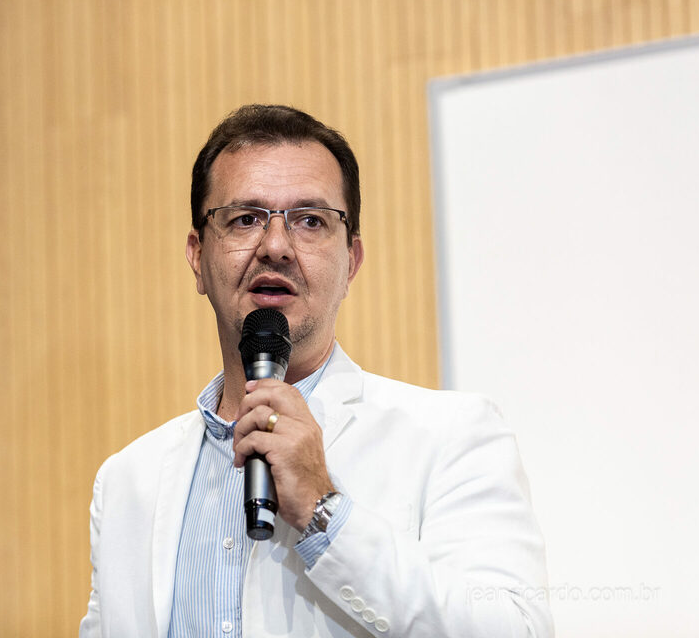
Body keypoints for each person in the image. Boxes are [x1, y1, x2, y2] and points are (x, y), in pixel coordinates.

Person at [79, 104, 553, 637]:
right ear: (198, 257)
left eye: (310, 221)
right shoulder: (126, 482)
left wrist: (324, 511)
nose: (275, 246)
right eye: (245, 218)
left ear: (351, 262)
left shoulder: (451, 437)